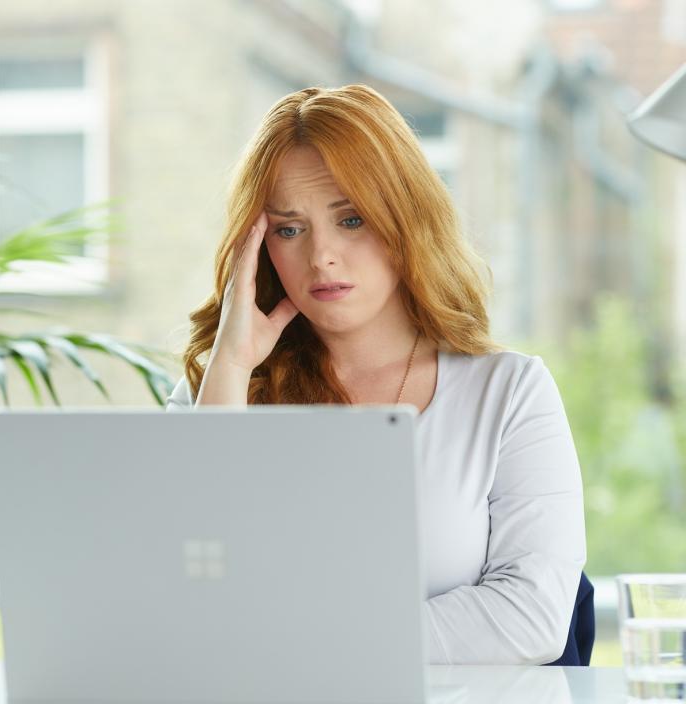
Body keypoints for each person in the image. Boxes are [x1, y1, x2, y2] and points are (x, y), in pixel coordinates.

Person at [166, 84, 586, 664]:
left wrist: (313, 643)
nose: (321, 256)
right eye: (289, 229)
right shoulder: (218, 389)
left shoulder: (509, 393)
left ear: (405, 220)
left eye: (351, 219)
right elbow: (180, 589)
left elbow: (532, 616)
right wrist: (232, 365)